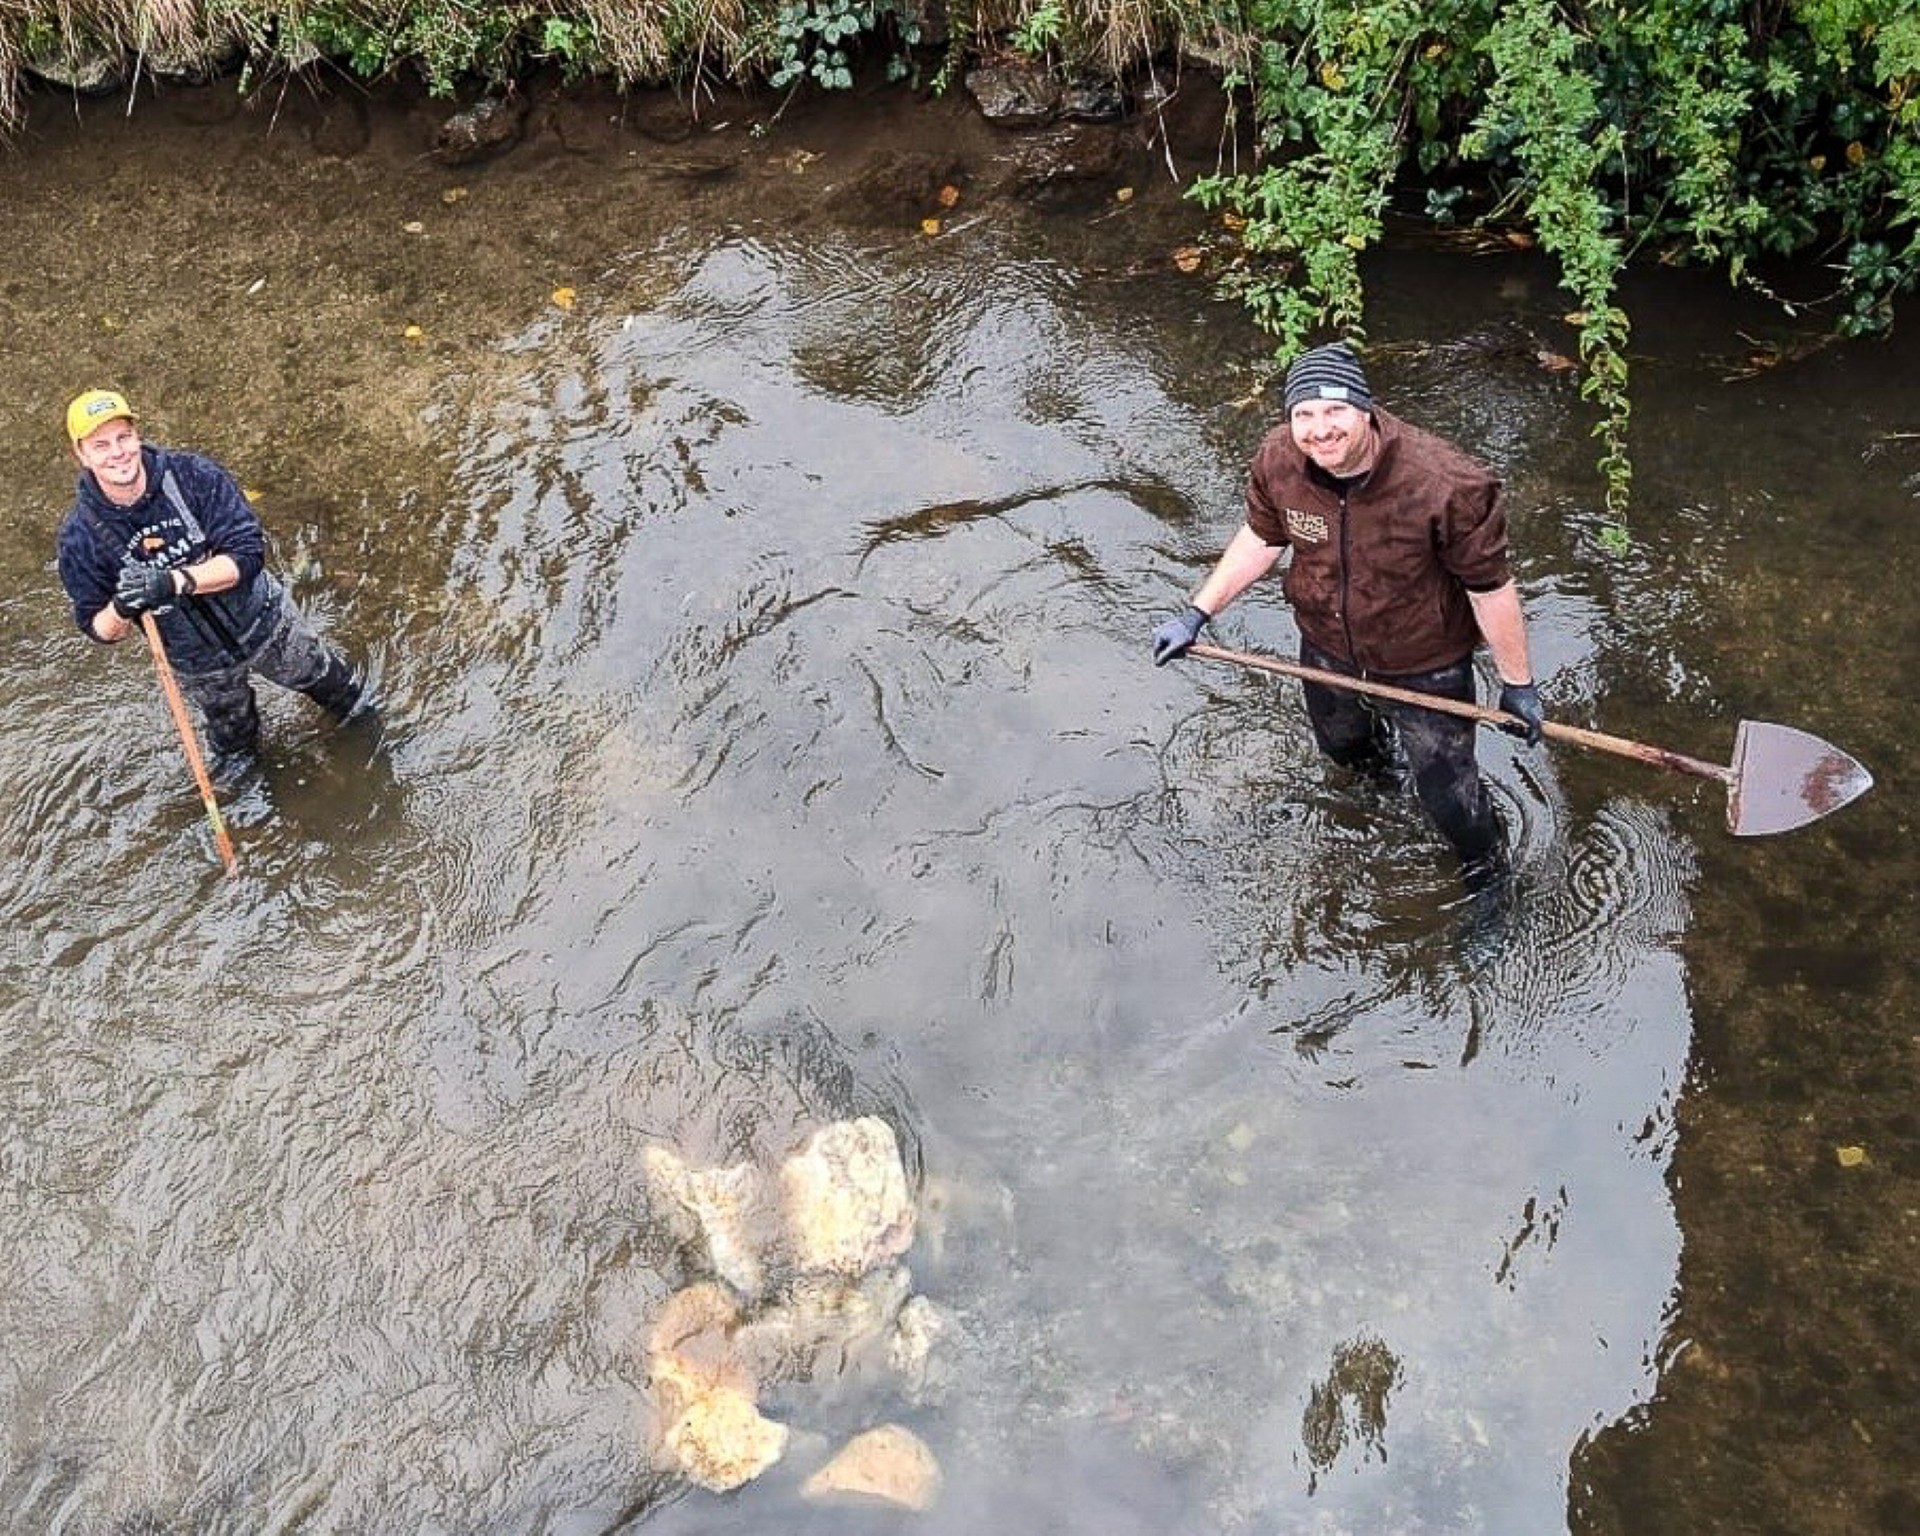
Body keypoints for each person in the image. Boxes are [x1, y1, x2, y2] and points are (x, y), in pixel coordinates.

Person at [1151, 342, 1545, 893]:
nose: (1319, 430)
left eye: (1335, 410)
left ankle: (1490, 880)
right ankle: (1383, 794)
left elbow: (1491, 588)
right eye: (1303, 415)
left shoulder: (1449, 486)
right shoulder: (1279, 459)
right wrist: (1197, 612)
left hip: (1421, 665)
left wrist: (1517, 683)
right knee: (1345, 752)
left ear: (1365, 410)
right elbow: (1264, 538)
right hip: (1326, 647)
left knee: (1449, 797)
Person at [54, 389, 369, 770]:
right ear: (82, 455)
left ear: (137, 435)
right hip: (197, 662)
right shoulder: (79, 537)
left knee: (345, 697)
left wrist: (173, 581)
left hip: (265, 622)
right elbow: (98, 628)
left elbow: (248, 554)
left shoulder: (193, 476)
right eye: (101, 445)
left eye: (123, 437)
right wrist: (122, 606)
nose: (117, 452)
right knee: (236, 750)